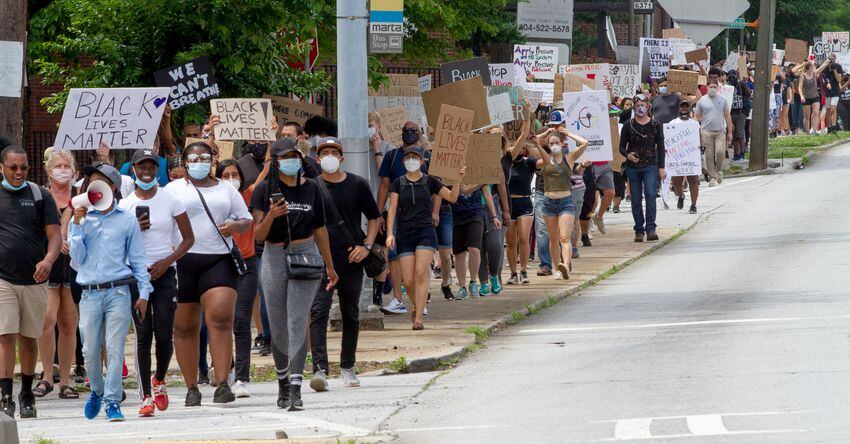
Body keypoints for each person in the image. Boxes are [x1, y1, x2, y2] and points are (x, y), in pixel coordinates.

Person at [164, 142, 252, 406]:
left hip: (219, 259)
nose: (199, 162)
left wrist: (235, 225)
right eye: (193, 158)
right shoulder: (173, 189)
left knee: (221, 319)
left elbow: (246, 219)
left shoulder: (226, 189)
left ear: (213, 159)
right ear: (185, 161)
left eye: (204, 157)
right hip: (182, 261)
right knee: (184, 327)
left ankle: (223, 382)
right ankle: (192, 387)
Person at [252, 138, 338, 410]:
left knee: (297, 321)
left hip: (306, 255)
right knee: (277, 324)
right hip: (274, 256)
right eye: (285, 157)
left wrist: (330, 265)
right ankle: (282, 382)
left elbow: (320, 229)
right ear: (276, 162)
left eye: (295, 156)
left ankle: (297, 387)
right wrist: (271, 215)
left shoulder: (313, 188)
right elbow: (257, 234)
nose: (291, 161)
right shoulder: (263, 189)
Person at [69, 162, 151, 422]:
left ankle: (113, 401)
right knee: (90, 351)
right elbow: (77, 259)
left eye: (103, 181)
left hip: (118, 292)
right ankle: (97, 389)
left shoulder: (126, 219)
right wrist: (77, 225)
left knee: (115, 349)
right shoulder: (81, 218)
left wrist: (144, 293)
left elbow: (138, 259)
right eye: (92, 181)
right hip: (90, 293)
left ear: (113, 187)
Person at [119, 149, 194, 417]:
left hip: (165, 273)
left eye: (151, 166)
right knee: (143, 334)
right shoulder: (124, 205)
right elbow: (117, 244)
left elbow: (188, 239)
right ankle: (145, 397)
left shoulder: (170, 199)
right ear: (134, 171)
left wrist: (166, 262)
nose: (147, 171)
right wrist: (133, 229)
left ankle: (159, 379)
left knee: (163, 333)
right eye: (142, 167)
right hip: (136, 276)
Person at [308, 138, 380, 392]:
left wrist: (366, 246)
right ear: (317, 159)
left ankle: (348, 366)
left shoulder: (358, 184)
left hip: (351, 259)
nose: (329, 156)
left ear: (341, 158)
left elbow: (374, 218)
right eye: (324, 152)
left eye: (333, 152)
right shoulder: (312, 187)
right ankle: (319, 369)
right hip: (320, 261)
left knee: (350, 313)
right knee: (318, 312)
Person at [0, 145, 61, 419]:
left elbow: (55, 236)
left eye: (23, 167)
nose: (18, 172)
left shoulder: (40, 195)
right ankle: (5, 397)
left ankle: (26, 394)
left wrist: (48, 261)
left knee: (28, 337)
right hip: (3, 279)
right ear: (1, 167)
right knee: (5, 337)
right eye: (13, 167)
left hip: (35, 279)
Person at [386, 147, 463, 330]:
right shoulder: (398, 183)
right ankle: (416, 304)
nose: (411, 160)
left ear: (421, 161)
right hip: (404, 232)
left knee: (421, 273)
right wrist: (390, 233)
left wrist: (458, 180)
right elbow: (393, 209)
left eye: (415, 157)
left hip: (425, 231)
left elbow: (452, 197)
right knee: (409, 279)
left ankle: (419, 317)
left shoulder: (431, 181)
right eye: (408, 157)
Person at [33, 150, 79, 401]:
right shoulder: (40, 195)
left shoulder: (82, 197)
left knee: (69, 323)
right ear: (49, 171)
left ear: (74, 170)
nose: (63, 169)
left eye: (66, 166)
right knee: (46, 320)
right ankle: (47, 376)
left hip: (74, 264)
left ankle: (66, 380)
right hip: (49, 262)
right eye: (58, 166)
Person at [214, 159, 261, 399]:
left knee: (241, 321)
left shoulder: (250, 195)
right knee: (221, 320)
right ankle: (226, 369)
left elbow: (267, 172)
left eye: (235, 174)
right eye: (226, 174)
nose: (231, 178)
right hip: (220, 263)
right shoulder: (212, 199)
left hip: (247, 264)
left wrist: (271, 143)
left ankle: (242, 378)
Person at [376, 122, 429, 314]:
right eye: (406, 131)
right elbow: (384, 186)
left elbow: (436, 187)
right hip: (397, 213)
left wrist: (435, 212)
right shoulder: (391, 156)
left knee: (422, 257)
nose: (409, 134)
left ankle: (421, 298)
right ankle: (398, 299)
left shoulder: (427, 156)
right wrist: (378, 213)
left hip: (422, 215)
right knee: (394, 255)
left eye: (413, 131)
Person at [535, 129, 588, 279]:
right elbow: (530, 143)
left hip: (565, 202)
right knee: (553, 238)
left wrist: (567, 133)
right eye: (551, 143)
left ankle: (565, 264)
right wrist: (545, 134)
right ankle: (557, 267)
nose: (554, 146)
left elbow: (584, 143)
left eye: (556, 143)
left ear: (562, 143)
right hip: (548, 202)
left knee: (564, 237)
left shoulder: (569, 158)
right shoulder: (544, 159)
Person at [619, 95, 666, 242]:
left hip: (650, 164)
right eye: (638, 105)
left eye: (643, 105)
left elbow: (661, 147)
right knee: (636, 199)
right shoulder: (628, 125)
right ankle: (639, 229)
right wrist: (628, 155)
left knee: (651, 194)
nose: (641, 108)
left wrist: (661, 167)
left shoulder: (655, 125)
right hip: (633, 167)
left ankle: (651, 228)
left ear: (648, 107)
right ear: (634, 107)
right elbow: (621, 147)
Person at [506, 132, 539, 285]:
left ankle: (524, 270)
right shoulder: (504, 164)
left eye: (519, 147)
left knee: (524, 237)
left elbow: (546, 162)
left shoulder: (528, 162)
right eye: (513, 146)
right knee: (511, 242)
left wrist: (537, 145)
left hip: (525, 203)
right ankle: (513, 272)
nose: (517, 149)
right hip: (509, 204)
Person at [695, 80, 733, 187]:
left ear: (718, 88)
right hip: (706, 131)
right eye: (711, 87)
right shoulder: (701, 101)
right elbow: (697, 117)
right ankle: (712, 177)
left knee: (720, 152)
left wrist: (730, 131)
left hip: (720, 131)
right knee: (709, 155)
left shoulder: (722, 100)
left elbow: (727, 116)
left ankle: (719, 170)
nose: (713, 89)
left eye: (715, 87)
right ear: (707, 87)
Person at [670, 102, 701, 214]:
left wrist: (700, 147)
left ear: (690, 109)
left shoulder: (695, 124)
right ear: (678, 109)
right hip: (677, 157)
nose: (684, 109)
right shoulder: (673, 123)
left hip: (691, 157)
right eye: (682, 107)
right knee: (676, 181)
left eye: (686, 107)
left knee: (693, 180)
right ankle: (681, 195)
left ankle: (693, 205)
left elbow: (699, 138)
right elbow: (668, 140)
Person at [794, 61, 827, 135]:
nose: (814, 67)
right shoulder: (803, 76)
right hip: (806, 97)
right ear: (809, 68)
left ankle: (814, 130)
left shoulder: (814, 73)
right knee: (807, 116)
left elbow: (822, 67)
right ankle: (807, 132)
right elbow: (800, 87)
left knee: (815, 113)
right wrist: (801, 96)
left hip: (815, 96)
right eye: (812, 66)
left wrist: (828, 60)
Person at [726, 70, 751, 160]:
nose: (732, 78)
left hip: (741, 113)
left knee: (739, 133)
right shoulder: (727, 87)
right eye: (730, 76)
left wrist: (744, 83)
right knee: (733, 134)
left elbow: (749, 93)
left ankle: (742, 153)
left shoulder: (740, 85)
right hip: (731, 113)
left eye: (733, 76)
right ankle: (736, 153)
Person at [823, 53, 844, 132]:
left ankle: (834, 126)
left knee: (833, 108)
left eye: (833, 58)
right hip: (827, 91)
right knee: (828, 110)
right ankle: (829, 127)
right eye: (830, 58)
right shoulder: (825, 67)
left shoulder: (838, 66)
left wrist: (834, 69)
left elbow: (839, 79)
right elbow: (822, 77)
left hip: (835, 91)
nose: (832, 60)